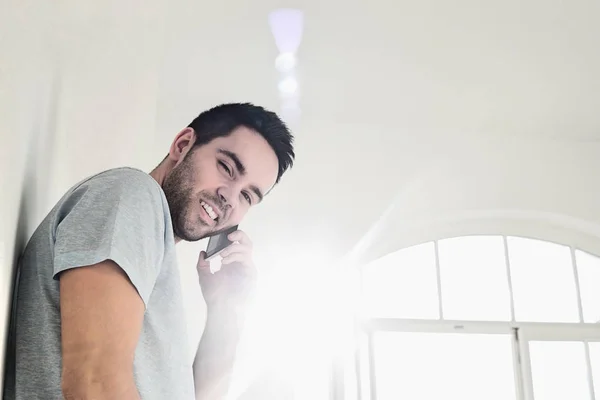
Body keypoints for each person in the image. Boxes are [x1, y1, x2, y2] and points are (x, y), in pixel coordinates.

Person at [4, 103, 295, 400]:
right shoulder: (131, 195)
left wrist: (224, 310)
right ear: (182, 146)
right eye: (226, 168)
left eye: (247, 195)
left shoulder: (152, 249)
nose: (229, 197)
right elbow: (95, 384)